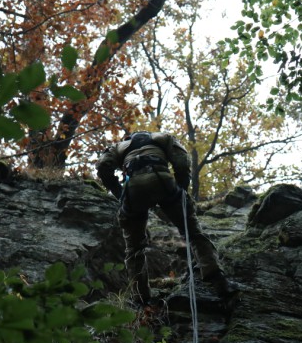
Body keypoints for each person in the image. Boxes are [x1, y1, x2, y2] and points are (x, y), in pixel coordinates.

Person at [96, 131, 236, 306]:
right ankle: (218, 279)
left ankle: (141, 299)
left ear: (128, 139)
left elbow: (103, 167)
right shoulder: (161, 137)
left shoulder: (118, 147)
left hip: (133, 189)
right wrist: (181, 190)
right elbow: (181, 161)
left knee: (134, 249)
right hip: (161, 179)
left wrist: (119, 193)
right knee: (193, 232)